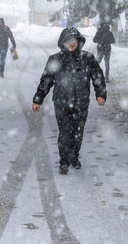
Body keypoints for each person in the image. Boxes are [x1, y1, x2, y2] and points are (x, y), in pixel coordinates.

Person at [32, 27, 107, 174]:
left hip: (81, 102)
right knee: (65, 132)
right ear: (63, 43)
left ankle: (74, 156)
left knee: (78, 132)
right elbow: (46, 81)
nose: (71, 43)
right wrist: (38, 100)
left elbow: (97, 76)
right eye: (68, 41)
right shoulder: (55, 60)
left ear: (79, 42)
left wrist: (101, 94)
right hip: (62, 102)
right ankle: (64, 161)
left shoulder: (88, 58)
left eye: (74, 40)